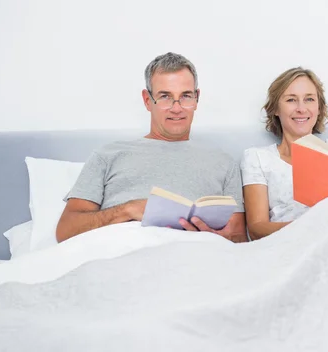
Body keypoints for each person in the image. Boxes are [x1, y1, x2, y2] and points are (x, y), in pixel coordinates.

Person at [56, 52, 247, 243]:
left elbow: (239, 239)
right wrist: (127, 209)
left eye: (186, 96)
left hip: (194, 256)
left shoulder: (225, 163)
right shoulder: (108, 155)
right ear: (147, 100)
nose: (177, 108)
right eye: (165, 96)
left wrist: (213, 237)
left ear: (196, 98)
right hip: (122, 252)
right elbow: (66, 229)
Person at [240, 67, 328, 240]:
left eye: (309, 99)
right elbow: (257, 228)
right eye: (291, 100)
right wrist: (309, 228)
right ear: (275, 108)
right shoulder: (258, 158)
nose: (301, 109)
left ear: (319, 108)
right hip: (290, 244)